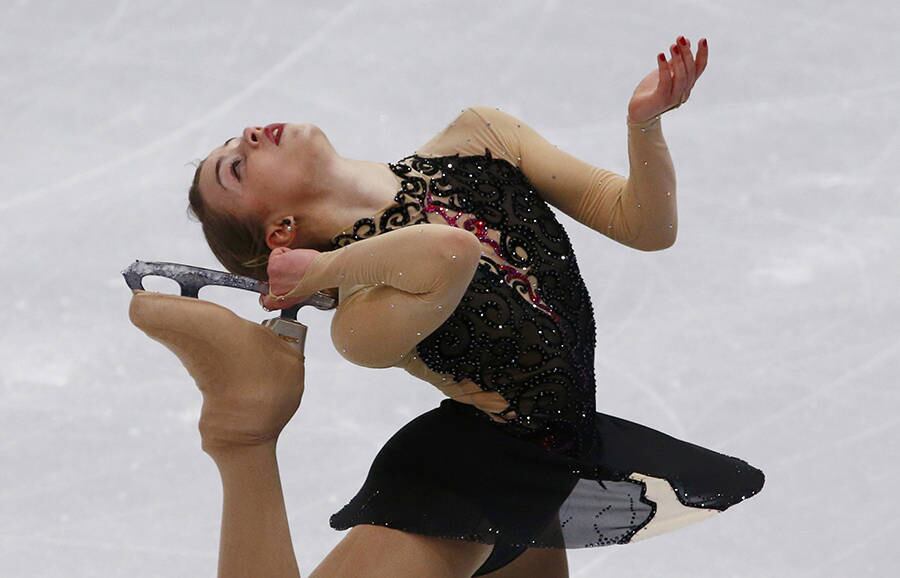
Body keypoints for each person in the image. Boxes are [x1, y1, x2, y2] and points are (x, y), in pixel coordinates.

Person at [181, 34, 763, 577]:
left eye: (239, 137)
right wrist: (328, 271)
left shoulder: (481, 136)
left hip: (550, 481)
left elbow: (645, 224)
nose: (250, 135)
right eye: (235, 167)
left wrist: (644, 126)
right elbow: (448, 252)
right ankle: (239, 443)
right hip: (460, 484)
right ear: (281, 229)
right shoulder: (362, 316)